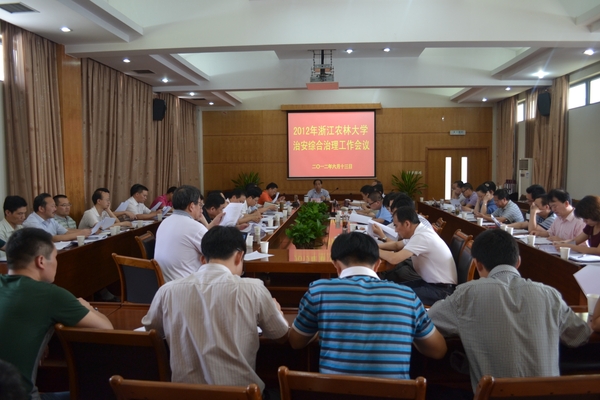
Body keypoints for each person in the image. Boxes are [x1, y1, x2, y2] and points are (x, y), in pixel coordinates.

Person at [428, 229, 590, 393]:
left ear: (477, 264)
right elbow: (580, 335)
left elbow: (426, 322)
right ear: (518, 262)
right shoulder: (549, 294)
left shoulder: (467, 294)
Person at [143, 226, 289, 395]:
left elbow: (152, 330)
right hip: (240, 395)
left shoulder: (168, 291)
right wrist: (277, 312)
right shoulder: (253, 289)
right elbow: (281, 335)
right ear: (239, 256)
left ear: (202, 259)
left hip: (185, 395)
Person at [289, 232, 447, 378]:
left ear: (336, 265)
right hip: (393, 393)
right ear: (377, 264)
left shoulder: (319, 291)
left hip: (335, 392)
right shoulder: (407, 296)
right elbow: (438, 351)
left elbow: (296, 342)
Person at [0, 228, 113, 400]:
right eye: (55, 257)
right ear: (41, 261)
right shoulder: (50, 294)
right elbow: (106, 329)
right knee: (105, 392)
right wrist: (88, 307)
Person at [378, 207, 457, 304]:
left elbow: (394, 259)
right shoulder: (418, 231)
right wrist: (373, 245)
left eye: (396, 226)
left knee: (393, 296)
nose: (395, 230)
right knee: (392, 289)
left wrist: (373, 250)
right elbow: (396, 245)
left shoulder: (422, 236)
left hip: (441, 290)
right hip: (430, 284)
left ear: (407, 224)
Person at [154, 185, 222, 282]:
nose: (201, 209)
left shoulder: (164, 222)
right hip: (186, 285)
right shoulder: (194, 227)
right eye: (200, 205)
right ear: (191, 206)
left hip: (164, 285)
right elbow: (218, 254)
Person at [23, 193, 91, 242]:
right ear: (41, 209)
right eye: (52, 206)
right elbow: (49, 238)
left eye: (55, 206)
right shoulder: (31, 222)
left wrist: (86, 232)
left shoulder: (51, 219)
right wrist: (79, 234)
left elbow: (65, 232)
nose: (55, 209)